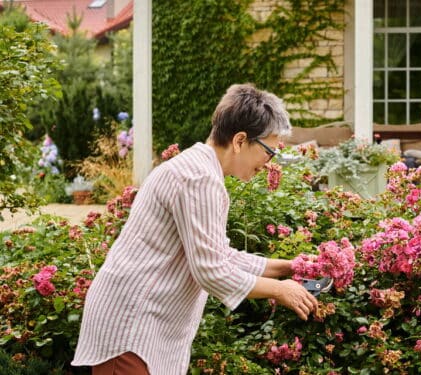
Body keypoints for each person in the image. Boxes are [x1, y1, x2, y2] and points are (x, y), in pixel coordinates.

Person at [72, 84, 318, 375]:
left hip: (140, 324)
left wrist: (287, 268)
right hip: (131, 325)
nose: (268, 163)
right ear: (240, 140)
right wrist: (279, 290)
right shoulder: (199, 178)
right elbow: (212, 271)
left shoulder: (199, 170)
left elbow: (218, 255)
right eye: (269, 151)